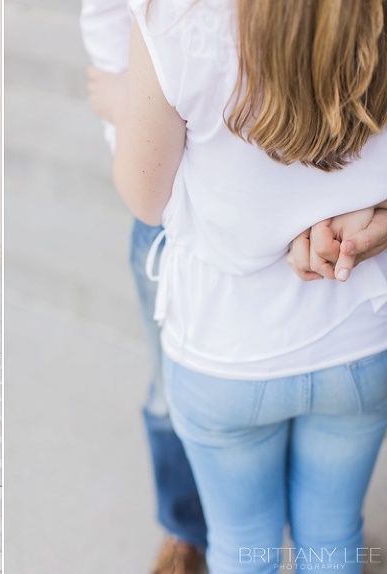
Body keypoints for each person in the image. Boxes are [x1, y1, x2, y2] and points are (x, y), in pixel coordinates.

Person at [114, 1, 387, 572]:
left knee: (243, 548)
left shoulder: (178, 17)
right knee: (334, 539)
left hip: (225, 347)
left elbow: (146, 197)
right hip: (361, 337)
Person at [80, 2, 208, 572]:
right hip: (165, 212)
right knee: (166, 390)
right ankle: (184, 529)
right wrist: (133, 113)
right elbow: (107, 24)